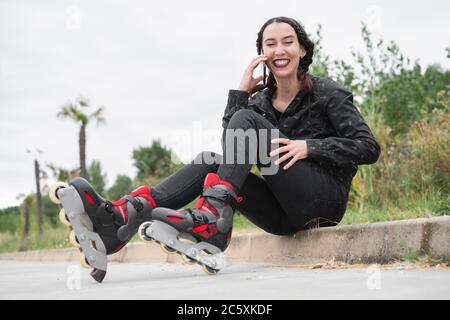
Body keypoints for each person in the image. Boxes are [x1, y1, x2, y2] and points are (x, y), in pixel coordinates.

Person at [58, 16, 380, 271]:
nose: (280, 50)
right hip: (280, 216)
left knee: (247, 125)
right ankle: (122, 219)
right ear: (262, 54)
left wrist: (309, 147)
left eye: (288, 42)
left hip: (321, 203)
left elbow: (368, 146)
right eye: (271, 44)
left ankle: (212, 221)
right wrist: (240, 94)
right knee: (214, 160)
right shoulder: (259, 104)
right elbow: (232, 150)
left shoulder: (325, 92)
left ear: (303, 50)